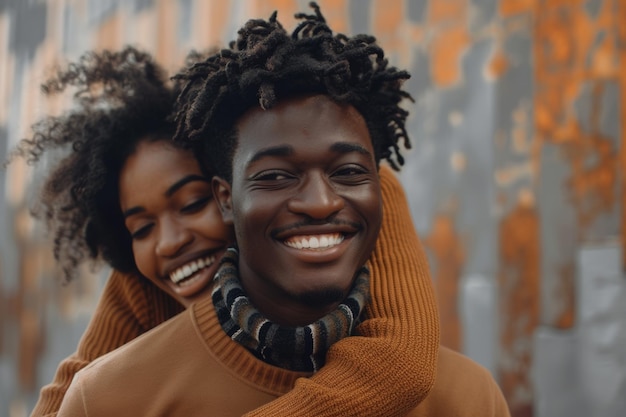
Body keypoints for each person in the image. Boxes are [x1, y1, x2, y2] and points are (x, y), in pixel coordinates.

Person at [55, 4, 510, 416]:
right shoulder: (115, 379)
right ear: (227, 195)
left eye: (191, 204)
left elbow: (401, 364)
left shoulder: (466, 397)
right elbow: (75, 388)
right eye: (141, 228)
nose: (320, 202)